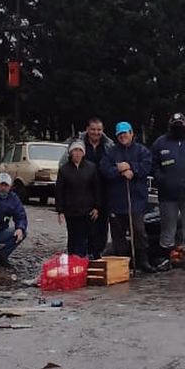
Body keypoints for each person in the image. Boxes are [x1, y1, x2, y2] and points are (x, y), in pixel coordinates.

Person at [149, 112, 185, 272]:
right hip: (167, 194)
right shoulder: (160, 143)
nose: (178, 127)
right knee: (168, 227)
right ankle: (164, 259)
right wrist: (161, 179)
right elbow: (153, 164)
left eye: (180, 124)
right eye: (175, 124)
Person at [99, 120, 154, 273]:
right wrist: (119, 170)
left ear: (131, 134)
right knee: (118, 235)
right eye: (120, 134)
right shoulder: (111, 152)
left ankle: (143, 260)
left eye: (125, 133)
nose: (123, 136)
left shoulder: (142, 151)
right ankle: (122, 262)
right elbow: (105, 170)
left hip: (135, 200)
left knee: (139, 231)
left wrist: (132, 168)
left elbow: (146, 167)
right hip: (116, 200)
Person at [63, 117, 113, 258]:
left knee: (101, 228)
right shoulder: (77, 144)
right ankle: (78, 258)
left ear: (102, 131)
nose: (96, 132)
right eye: (93, 129)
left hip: (103, 192)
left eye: (98, 130)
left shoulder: (109, 146)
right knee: (80, 230)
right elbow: (64, 166)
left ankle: (97, 256)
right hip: (81, 194)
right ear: (87, 129)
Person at [54, 139, 101, 257]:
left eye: (80, 150)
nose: (78, 153)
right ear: (71, 153)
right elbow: (59, 190)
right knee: (73, 237)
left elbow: (96, 188)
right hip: (71, 210)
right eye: (75, 150)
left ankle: (84, 260)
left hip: (87, 210)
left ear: (84, 152)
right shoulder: (64, 169)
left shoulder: (91, 167)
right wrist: (60, 210)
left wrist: (97, 206)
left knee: (85, 237)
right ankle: (73, 260)